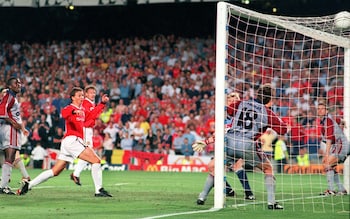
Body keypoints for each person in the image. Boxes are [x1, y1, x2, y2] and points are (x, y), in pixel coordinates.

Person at [193, 84, 288, 209]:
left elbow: (230, 111)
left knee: (217, 167)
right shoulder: (268, 113)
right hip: (248, 144)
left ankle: (202, 196)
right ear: (271, 99)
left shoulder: (241, 103)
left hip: (230, 141)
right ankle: (271, 202)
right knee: (268, 168)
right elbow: (283, 130)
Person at [17, 87, 112, 197]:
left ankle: (29, 185)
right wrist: (73, 111)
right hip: (73, 140)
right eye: (79, 96)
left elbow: (92, 115)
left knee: (55, 171)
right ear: (72, 98)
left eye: (82, 95)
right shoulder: (70, 108)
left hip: (69, 142)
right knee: (96, 161)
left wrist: (102, 104)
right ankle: (98, 190)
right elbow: (64, 113)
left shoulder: (82, 110)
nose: (82, 97)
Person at [196, 92, 255, 205]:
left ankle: (203, 196)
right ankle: (236, 191)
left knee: (221, 166)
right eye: (230, 100)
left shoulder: (242, 116)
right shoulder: (224, 117)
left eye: (235, 100)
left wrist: (206, 142)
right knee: (215, 167)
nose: (233, 102)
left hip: (238, 146)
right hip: (225, 147)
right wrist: (206, 142)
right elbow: (219, 133)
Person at [70, 85, 109, 186]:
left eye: (94, 92)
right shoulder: (86, 103)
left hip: (88, 129)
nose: (93, 94)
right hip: (85, 130)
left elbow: (94, 114)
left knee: (87, 153)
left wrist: (100, 105)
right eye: (91, 92)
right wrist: (102, 103)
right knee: (88, 153)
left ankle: (76, 174)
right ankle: (76, 174)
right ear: (86, 94)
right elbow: (92, 115)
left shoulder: (90, 103)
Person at [0, 78, 30, 195]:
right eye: (15, 83)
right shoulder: (9, 97)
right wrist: (15, 124)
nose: (18, 85)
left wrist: (22, 128)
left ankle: (3, 185)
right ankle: (4, 186)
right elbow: (1, 112)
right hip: (10, 130)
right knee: (10, 156)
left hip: (11, 129)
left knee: (11, 157)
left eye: (19, 83)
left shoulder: (12, 97)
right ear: (9, 86)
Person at [317, 100, 349, 195]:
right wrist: (343, 122)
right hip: (339, 145)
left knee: (327, 163)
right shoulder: (326, 121)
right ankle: (341, 189)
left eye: (322, 109)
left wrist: (326, 154)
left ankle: (331, 189)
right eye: (318, 109)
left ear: (327, 111)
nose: (320, 111)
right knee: (328, 164)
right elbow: (339, 120)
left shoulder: (328, 121)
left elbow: (329, 139)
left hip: (341, 145)